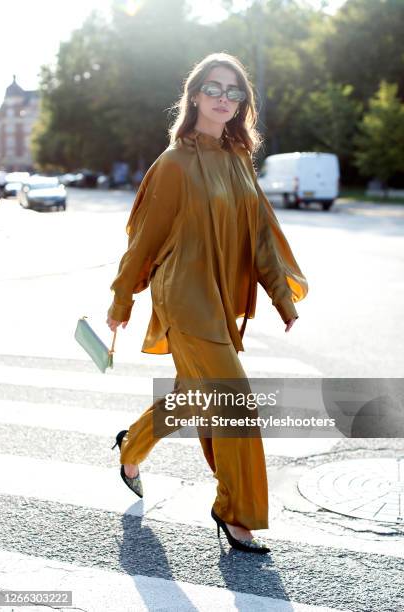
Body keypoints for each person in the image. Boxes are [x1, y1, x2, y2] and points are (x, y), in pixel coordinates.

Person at [106, 52, 308, 553]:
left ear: (242, 103)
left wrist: (281, 296)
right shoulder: (173, 164)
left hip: (219, 300)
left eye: (234, 91)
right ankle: (233, 509)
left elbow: (260, 236)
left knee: (198, 396)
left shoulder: (238, 162)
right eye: (214, 88)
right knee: (235, 402)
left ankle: (131, 445)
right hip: (184, 298)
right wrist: (120, 299)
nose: (223, 98)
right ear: (194, 94)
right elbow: (144, 241)